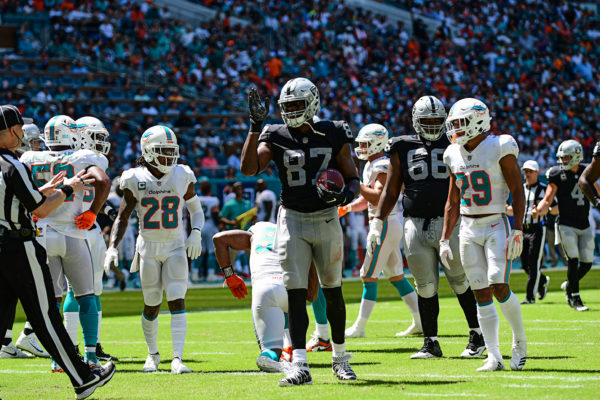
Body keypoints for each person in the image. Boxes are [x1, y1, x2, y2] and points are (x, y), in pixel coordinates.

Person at [241, 79, 360, 386]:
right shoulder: (275, 133)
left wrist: (343, 196)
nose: (291, 111)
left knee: (332, 290)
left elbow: (353, 179)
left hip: (326, 218)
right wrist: (255, 126)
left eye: (296, 105)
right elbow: (249, 168)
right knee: (295, 294)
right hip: (292, 219)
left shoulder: (334, 131)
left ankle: (340, 359)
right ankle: (300, 365)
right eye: (287, 107)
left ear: (312, 103)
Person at [0, 104, 115, 399]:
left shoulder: (26, 159)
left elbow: (29, 198)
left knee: (37, 307)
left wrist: (46, 189)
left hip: (35, 235)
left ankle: (66, 364)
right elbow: (99, 181)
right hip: (41, 239)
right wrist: (73, 195)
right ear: (12, 130)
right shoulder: (15, 164)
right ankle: (87, 365)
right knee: (62, 306)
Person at [369, 96, 483, 360]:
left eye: (436, 121)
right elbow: (392, 186)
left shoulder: (457, 143)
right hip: (414, 224)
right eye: (426, 121)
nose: (432, 126)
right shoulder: (401, 146)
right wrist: (377, 219)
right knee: (425, 285)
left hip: (449, 224)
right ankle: (431, 342)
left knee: (459, 280)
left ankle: (477, 335)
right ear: (415, 121)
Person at [104, 125, 204, 374]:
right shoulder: (134, 178)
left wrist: (196, 233)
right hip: (147, 246)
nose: (169, 157)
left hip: (175, 246)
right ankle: (153, 355)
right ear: (147, 152)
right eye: (162, 151)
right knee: (151, 303)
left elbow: (196, 210)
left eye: (172, 151)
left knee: (177, 299)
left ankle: (178, 359)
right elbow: (123, 217)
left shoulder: (182, 174)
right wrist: (112, 248)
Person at [440, 98, 527, 372]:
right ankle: (494, 356)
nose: (455, 129)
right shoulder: (452, 152)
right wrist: (444, 238)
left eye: (460, 123)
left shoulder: (500, 145)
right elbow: (453, 200)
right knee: (480, 292)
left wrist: (518, 228)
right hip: (467, 228)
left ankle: (520, 342)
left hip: (495, 223)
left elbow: (518, 189)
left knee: (498, 285)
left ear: (478, 120)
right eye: (453, 124)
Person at [20, 115, 112, 370]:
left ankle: (56, 358)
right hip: (73, 233)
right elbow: (104, 181)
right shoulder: (83, 157)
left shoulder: (29, 158)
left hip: (42, 234)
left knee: (52, 302)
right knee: (86, 295)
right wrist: (93, 211)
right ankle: (92, 357)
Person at [338, 123, 421, 338]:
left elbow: (379, 197)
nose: (361, 147)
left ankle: (359, 327)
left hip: (384, 223)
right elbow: (369, 200)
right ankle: (420, 321)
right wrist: (347, 208)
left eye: (365, 144)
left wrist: (356, 184)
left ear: (377, 143)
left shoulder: (382, 164)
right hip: (386, 222)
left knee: (368, 275)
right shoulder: (373, 164)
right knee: (396, 276)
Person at [58, 116, 117, 361]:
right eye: (96, 137)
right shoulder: (76, 158)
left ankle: (94, 345)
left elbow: (93, 193)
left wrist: (104, 210)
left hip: (87, 229)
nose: (101, 143)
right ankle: (71, 348)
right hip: (74, 229)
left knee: (93, 291)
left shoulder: (85, 160)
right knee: (76, 291)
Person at [213, 222, 298, 372]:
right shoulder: (291, 234)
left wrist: (230, 275)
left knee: (271, 350)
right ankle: (290, 346)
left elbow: (219, 239)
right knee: (288, 304)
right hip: (290, 288)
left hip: (265, 288)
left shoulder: (254, 235)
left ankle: (271, 354)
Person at [1, 121, 50, 359]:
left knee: (9, 295)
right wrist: (65, 191)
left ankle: (7, 340)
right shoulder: (15, 164)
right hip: (18, 236)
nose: (39, 146)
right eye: (36, 141)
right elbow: (35, 205)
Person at [534, 140, 594, 311]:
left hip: (584, 222)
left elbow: (595, 190)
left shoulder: (586, 171)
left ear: (576, 156)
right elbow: (548, 197)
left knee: (587, 263)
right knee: (573, 259)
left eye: (567, 158)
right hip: (566, 223)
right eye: (562, 158)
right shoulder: (556, 174)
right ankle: (574, 297)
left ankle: (569, 284)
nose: (563, 161)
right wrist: (540, 209)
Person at [505, 160, 550, 304]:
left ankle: (530, 297)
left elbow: (554, 207)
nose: (527, 174)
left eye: (530, 171)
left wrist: (542, 211)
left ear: (537, 173)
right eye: (525, 171)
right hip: (522, 230)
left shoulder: (544, 188)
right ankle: (542, 280)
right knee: (525, 264)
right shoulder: (521, 189)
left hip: (537, 229)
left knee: (533, 263)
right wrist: (505, 209)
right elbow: (514, 211)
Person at [198, 180, 220, 282]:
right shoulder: (214, 200)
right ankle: (211, 275)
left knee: (201, 252)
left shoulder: (197, 199)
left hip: (199, 226)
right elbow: (215, 214)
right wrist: (219, 225)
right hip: (210, 225)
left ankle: (195, 274)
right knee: (211, 252)